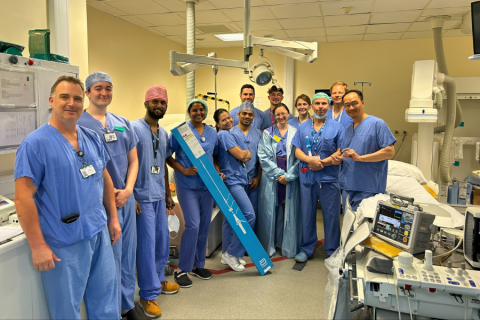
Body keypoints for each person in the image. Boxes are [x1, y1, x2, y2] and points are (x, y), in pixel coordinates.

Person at [14, 76, 120, 319]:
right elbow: (23, 198)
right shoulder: (35, 144)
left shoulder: (91, 137)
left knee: (106, 302)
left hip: (98, 233)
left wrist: (112, 219)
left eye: (77, 99)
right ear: (51, 101)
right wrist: (38, 246)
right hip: (63, 242)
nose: (71, 103)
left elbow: (105, 178)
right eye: (64, 97)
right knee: (66, 311)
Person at [77, 71, 140, 320]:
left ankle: (127, 304)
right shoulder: (80, 125)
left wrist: (128, 190)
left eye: (108, 88)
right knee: (108, 259)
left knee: (127, 253)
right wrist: (110, 192)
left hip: (126, 197)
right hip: (101, 202)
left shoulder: (122, 122)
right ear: (88, 93)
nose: (104, 93)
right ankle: (112, 310)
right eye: (98, 88)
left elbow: (134, 160)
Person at [132, 85, 179, 318]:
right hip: (141, 197)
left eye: (162, 102)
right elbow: (125, 165)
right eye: (155, 102)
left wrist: (168, 195)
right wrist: (130, 195)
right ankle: (147, 295)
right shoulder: (133, 129)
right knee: (147, 246)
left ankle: (159, 280)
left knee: (161, 242)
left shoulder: (164, 134)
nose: (159, 105)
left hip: (159, 195)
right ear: (146, 104)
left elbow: (161, 164)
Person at [167, 99, 219, 288]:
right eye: (194, 110)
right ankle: (182, 269)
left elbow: (214, 156)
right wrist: (183, 170)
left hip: (207, 186)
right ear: (189, 112)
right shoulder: (181, 132)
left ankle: (198, 265)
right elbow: (167, 156)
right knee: (193, 225)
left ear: (205, 112)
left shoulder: (213, 132)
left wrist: (217, 170)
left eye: (201, 110)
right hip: (187, 184)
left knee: (205, 224)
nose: (198, 112)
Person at [292, 93, 344, 261]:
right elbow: (297, 150)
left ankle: (332, 250)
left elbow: (340, 151)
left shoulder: (337, 127)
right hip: (307, 179)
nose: (320, 106)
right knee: (307, 214)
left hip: (329, 178)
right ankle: (307, 249)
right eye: (317, 103)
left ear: (329, 106)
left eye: (324, 103)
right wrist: (310, 161)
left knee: (331, 215)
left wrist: (323, 163)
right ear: (311, 106)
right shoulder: (303, 127)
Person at [339, 89, 396, 212]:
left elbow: (390, 152)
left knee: (362, 229)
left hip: (368, 188)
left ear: (363, 103)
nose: (351, 108)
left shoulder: (377, 124)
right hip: (348, 186)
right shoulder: (347, 129)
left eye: (354, 103)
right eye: (347, 105)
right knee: (349, 228)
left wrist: (360, 158)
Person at [214, 108, 256, 271]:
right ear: (217, 124)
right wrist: (245, 153)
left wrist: (244, 154)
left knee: (230, 219)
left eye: (228, 118)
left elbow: (246, 155)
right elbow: (242, 155)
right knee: (249, 215)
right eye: (223, 120)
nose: (228, 121)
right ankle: (233, 253)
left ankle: (225, 253)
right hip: (232, 181)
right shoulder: (224, 135)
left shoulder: (229, 134)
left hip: (236, 178)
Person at [257, 104, 301, 258]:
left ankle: (286, 244)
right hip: (272, 176)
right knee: (271, 209)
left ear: (288, 114)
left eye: (283, 113)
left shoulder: (296, 132)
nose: (281, 117)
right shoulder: (268, 133)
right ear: (274, 116)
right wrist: (278, 174)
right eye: (277, 114)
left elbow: (300, 157)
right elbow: (263, 156)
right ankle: (270, 244)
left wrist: (288, 176)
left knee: (287, 209)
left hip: (290, 175)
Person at [230, 102, 262, 218]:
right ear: (238, 114)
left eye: (250, 114)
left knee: (252, 213)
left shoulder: (258, 134)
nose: (247, 116)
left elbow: (261, 158)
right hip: (235, 180)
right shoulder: (230, 133)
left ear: (253, 117)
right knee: (236, 215)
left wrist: (258, 177)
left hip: (253, 179)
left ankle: (251, 237)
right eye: (244, 113)